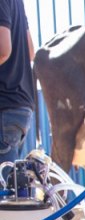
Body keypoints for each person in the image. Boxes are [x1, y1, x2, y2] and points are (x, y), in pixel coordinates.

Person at [0, 0, 35, 163]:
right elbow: (30, 51)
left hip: (4, 106)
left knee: (4, 185)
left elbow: (3, 51)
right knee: (11, 184)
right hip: (20, 107)